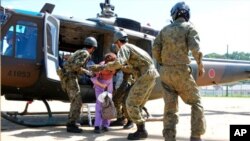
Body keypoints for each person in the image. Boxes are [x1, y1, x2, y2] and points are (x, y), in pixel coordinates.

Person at [90, 31, 159, 140]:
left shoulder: (124, 48)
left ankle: (141, 130)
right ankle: (140, 129)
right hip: (151, 75)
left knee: (130, 102)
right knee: (137, 104)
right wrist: (120, 68)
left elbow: (118, 63)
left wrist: (102, 67)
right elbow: (131, 68)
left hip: (145, 76)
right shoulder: (133, 48)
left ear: (117, 42)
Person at [152, 2, 206, 141]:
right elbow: (196, 49)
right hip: (181, 72)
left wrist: (163, 63)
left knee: (170, 108)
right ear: (187, 14)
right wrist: (200, 66)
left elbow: (155, 50)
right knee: (196, 103)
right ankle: (195, 136)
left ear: (174, 14)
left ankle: (169, 138)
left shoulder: (164, 30)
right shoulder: (189, 28)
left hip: (166, 73)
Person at [57, 36, 98, 133]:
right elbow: (76, 66)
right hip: (70, 77)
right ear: (93, 48)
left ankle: (72, 122)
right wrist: (88, 72)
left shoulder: (78, 51)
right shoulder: (85, 53)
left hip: (67, 77)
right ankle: (71, 124)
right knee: (77, 101)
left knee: (75, 101)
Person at [91, 52, 116, 133]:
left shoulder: (115, 65)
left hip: (109, 85)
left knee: (108, 105)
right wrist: (101, 85)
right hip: (100, 85)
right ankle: (97, 126)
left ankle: (106, 125)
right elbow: (93, 79)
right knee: (99, 105)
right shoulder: (100, 67)